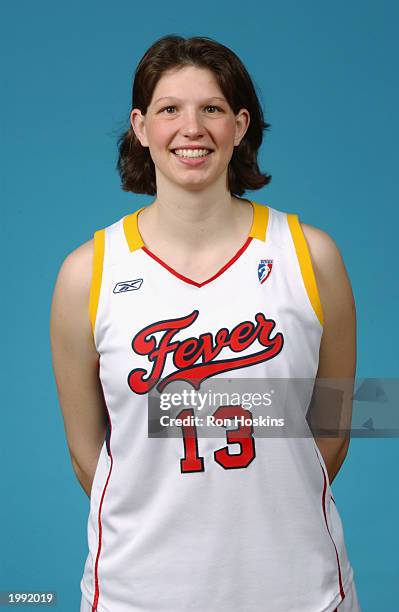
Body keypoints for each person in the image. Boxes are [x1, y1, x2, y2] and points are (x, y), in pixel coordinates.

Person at [50, 35, 361, 612]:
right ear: (141, 127)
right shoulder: (85, 273)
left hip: (299, 588)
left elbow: (340, 421)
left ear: (240, 126)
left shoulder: (312, 255)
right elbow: (84, 451)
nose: (191, 128)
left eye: (211, 109)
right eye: (170, 109)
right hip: (136, 592)